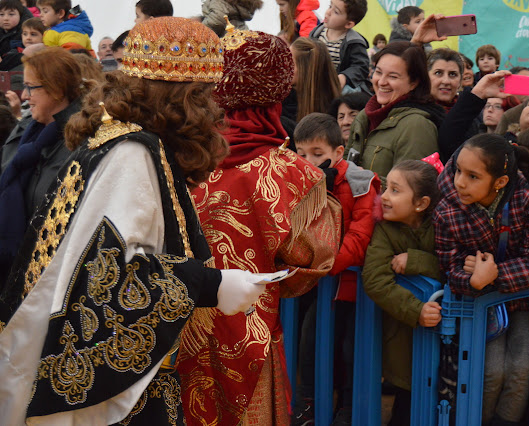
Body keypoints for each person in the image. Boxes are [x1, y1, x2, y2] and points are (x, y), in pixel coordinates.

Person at [0, 17, 269, 425]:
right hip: (120, 398)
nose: (215, 108)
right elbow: (111, 278)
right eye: (206, 94)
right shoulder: (133, 154)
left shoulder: (121, 140)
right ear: (183, 98)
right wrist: (212, 284)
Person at [176, 26, 341, 426]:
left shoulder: (178, 154)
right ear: (279, 86)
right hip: (250, 335)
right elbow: (311, 261)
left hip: (176, 331)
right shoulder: (288, 173)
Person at [434, 134, 529, 425]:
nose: (460, 182)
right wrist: (473, 281)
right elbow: (448, 267)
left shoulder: (526, 197)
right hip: (480, 304)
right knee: (489, 372)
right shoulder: (448, 208)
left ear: (499, 182)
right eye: (458, 171)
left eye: (473, 176)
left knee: (520, 372)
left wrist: (493, 273)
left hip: (524, 300)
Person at [292, 112, 379, 425]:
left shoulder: (360, 183)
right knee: (309, 341)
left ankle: (348, 406)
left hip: (348, 283)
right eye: (301, 154)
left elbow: (361, 233)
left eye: (318, 154)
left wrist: (329, 264)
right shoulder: (295, 179)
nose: (308, 161)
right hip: (313, 283)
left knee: (348, 348)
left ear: (338, 153)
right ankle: (309, 406)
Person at [363, 159, 442, 426]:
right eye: (386, 188)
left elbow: (455, 266)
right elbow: (375, 280)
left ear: (421, 204)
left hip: (449, 338)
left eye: (395, 191)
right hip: (404, 335)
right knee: (407, 400)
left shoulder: (444, 223)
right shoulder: (385, 228)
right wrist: (416, 310)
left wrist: (418, 261)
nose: (383, 197)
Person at [0, 47, 87, 284]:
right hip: (14, 271)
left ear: (56, 88)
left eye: (31, 87)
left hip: (51, 278)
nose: (25, 95)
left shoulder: (81, 140)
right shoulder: (27, 130)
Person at [345, 41, 443, 188]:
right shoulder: (364, 116)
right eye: (378, 72)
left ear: (414, 83)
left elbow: (411, 188)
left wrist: (364, 180)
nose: (382, 82)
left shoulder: (417, 126)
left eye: (393, 76)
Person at [308, 0, 369, 92]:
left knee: (349, 91)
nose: (328, 12)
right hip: (314, 82)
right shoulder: (317, 33)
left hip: (336, 85)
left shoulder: (354, 42)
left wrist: (345, 77)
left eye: (336, 12)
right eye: (330, 6)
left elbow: (360, 66)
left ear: (348, 24)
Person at [290, 37, 341, 123]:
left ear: (306, 70)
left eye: (290, 63)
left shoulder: (337, 111)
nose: (282, 66)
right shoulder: (279, 98)